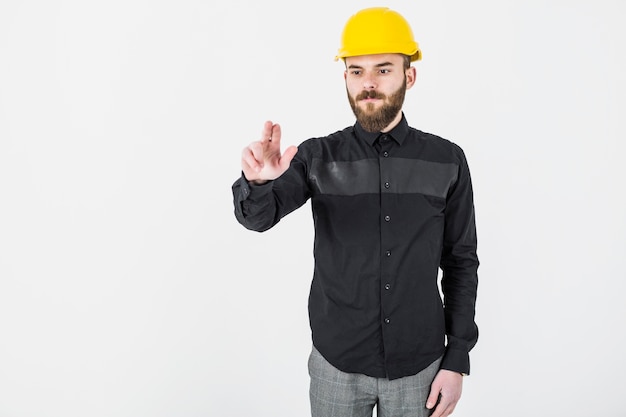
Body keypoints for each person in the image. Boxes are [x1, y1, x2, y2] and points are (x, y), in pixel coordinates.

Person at [232, 6, 479, 417]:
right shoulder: (315, 157)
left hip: (420, 367)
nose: (369, 83)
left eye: (383, 70)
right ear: (344, 77)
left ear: (409, 76)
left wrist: (457, 361)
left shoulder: (447, 160)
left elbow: (460, 263)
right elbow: (258, 218)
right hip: (336, 366)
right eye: (357, 71)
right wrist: (259, 183)